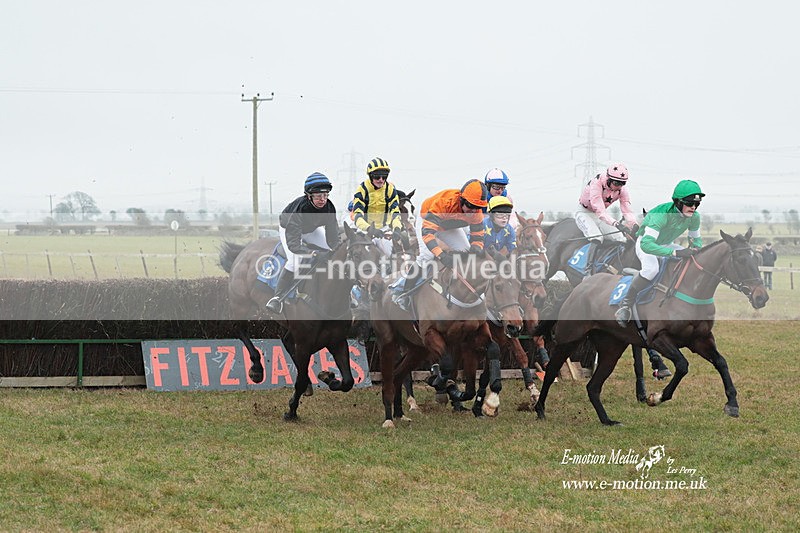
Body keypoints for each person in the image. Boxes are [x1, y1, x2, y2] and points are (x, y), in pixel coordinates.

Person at [615, 179, 704, 326]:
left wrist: (695, 249)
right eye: (689, 203)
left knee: (694, 260)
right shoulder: (661, 215)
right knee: (651, 269)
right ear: (678, 202)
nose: (693, 207)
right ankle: (625, 304)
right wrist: (675, 253)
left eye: (697, 204)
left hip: (666, 243)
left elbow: (696, 241)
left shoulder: (695, 217)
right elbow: (647, 245)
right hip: (646, 244)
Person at [394, 179, 489, 309]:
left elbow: (478, 236)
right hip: (427, 221)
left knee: (466, 253)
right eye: (470, 206)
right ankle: (404, 291)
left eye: (477, 207)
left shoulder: (476, 214)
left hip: (448, 226)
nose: (473, 211)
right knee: (427, 256)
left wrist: (476, 249)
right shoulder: (445, 203)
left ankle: (460, 290)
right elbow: (427, 234)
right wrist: (441, 255)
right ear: (461, 199)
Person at [265, 172, 339, 314]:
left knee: (332, 253)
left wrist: (335, 248)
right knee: (295, 261)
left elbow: (333, 238)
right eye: (318, 196)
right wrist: (312, 253)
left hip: (311, 229)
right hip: (289, 228)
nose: (323, 199)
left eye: (325, 195)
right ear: (309, 196)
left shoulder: (330, 207)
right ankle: (277, 298)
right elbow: (294, 245)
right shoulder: (300, 209)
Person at [576, 163, 638, 278]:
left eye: (622, 183)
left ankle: (612, 265)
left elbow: (626, 207)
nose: (619, 187)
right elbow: (599, 210)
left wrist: (633, 223)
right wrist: (616, 224)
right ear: (609, 179)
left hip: (601, 216)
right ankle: (587, 271)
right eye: (616, 183)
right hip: (585, 213)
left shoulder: (622, 189)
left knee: (620, 238)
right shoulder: (596, 183)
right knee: (597, 237)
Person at [351, 157, 404, 258]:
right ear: (370, 176)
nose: (381, 180)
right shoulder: (362, 189)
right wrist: (370, 229)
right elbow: (357, 217)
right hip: (365, 231)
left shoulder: (390, 189)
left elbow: (395, 213)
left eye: (384, 177)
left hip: (383, 230)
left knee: (393, 257)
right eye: (377, 177)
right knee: (360, 256)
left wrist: (397, 228)